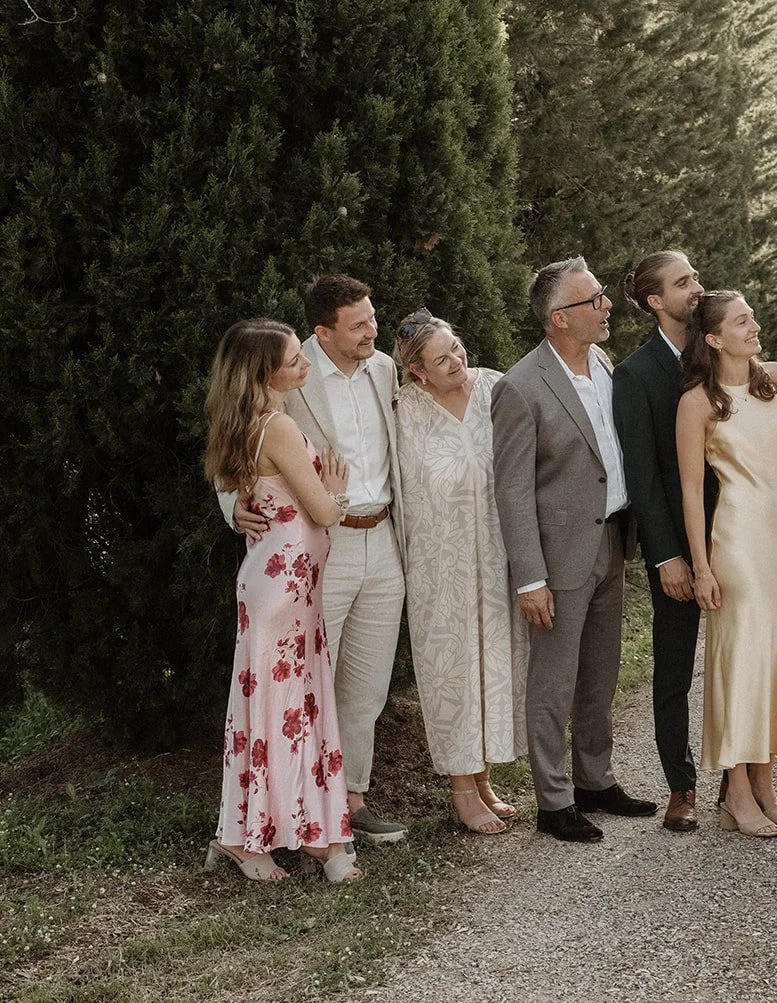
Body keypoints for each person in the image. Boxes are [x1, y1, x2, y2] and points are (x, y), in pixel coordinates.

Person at [220, 275, 408, 844]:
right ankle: (295, 812)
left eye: (372, 318)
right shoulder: (287, 375)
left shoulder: (384, 370)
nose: (371, 331)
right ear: (322, 331)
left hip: (384, 540)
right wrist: (233, 505)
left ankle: (350, 801)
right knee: (303, 684)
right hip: (315, 550)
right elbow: (233, 439)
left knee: (367, 687)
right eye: (358, 326)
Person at [492, 257, 658, 844]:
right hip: (557, 556)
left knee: (600, 673)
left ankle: (595, 779)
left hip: (611, 538)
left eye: (602, 295)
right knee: (554, 681)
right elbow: (510, 491)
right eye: (594, 300)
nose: (607, 304)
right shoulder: (520, 386)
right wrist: (529, 578)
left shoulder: (606, 364)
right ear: (560, 318)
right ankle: (554, 801)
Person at [203, 318, 361, 883]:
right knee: (281, 707)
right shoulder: (278, 427)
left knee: (276, 706)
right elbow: (320, 510)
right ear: (264, 370)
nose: (305, 364)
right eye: (295, 358)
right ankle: (264, 840)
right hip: (284, 587)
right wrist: (338, 493)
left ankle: (277, 832)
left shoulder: (253, 422)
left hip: (282, 584)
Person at [676, 290, 777, 839]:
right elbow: (691, 492)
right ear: (713, 338)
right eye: (741, 321)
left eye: (752, 316)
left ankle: (765, 783)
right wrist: (702, 567)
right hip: (735, 539)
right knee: (744, 657)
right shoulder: (697, 402)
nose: (753, 325)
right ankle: (735, 791)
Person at [393, 309, 527, 835]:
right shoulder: (404, 410)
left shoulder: (494, 388)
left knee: (496, 662)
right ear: (417, 372)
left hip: (496, 553)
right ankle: (461, 789)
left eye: (457, 347)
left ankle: (486, 776)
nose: (457, 360)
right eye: (441, 358)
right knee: (452, 669)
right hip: (437, 565)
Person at [612, 251, 714, 831]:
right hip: (676, 542)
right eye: (683, 283)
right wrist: (666, 555)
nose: (696, 288)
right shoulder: (636, 374)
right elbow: (642, 475)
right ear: (655, 301)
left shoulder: (720, 351)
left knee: (739, 658)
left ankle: (743, 783)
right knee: (674, 668)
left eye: (695, 277)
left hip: (736, 533)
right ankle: (681, 785)